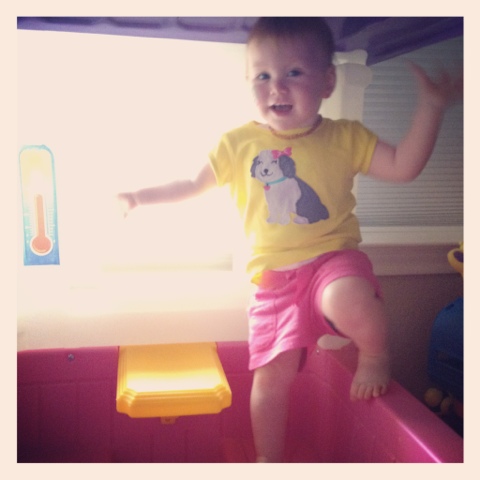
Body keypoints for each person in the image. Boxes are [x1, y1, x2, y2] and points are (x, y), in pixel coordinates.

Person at [117, 17, 462, 462]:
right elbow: (190, 183)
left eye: (294, 72)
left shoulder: (344, 136)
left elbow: (402, 166)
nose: (276, 87)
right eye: (262, 75)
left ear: (327, 81)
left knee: (348, 297)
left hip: (330, 260)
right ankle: (269, 460)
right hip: (274, 281)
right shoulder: (236, 143)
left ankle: (374, 354)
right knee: (269, 379)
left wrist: (430, 108)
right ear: (248, 82)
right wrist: (138, 197)